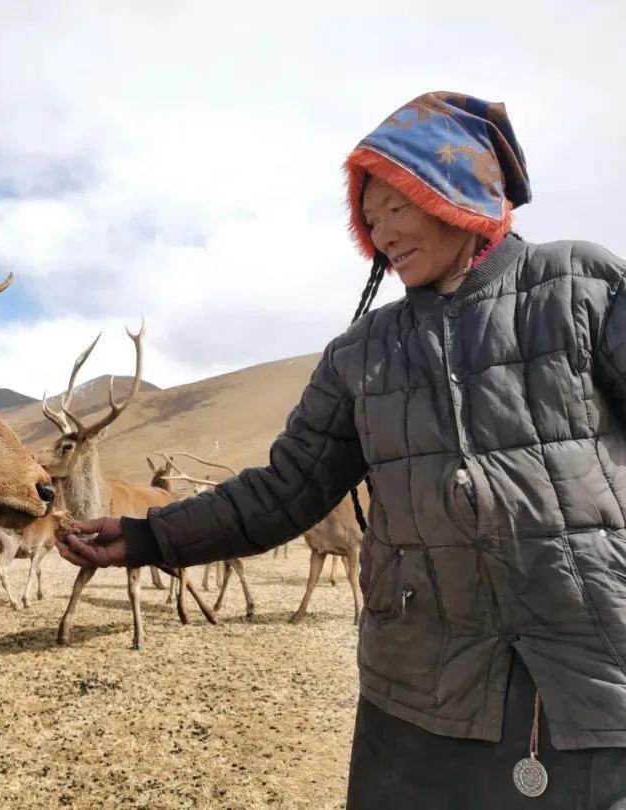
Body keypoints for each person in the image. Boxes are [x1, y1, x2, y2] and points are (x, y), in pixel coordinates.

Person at [55, 92, 626, 809]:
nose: (381, 231)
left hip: (588, 680)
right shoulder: (362, 356)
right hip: (417, 690)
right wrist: (147, 536)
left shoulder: (579, 289)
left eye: (397, 205)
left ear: (453, 192)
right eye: (369, 215)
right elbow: (282, 490)